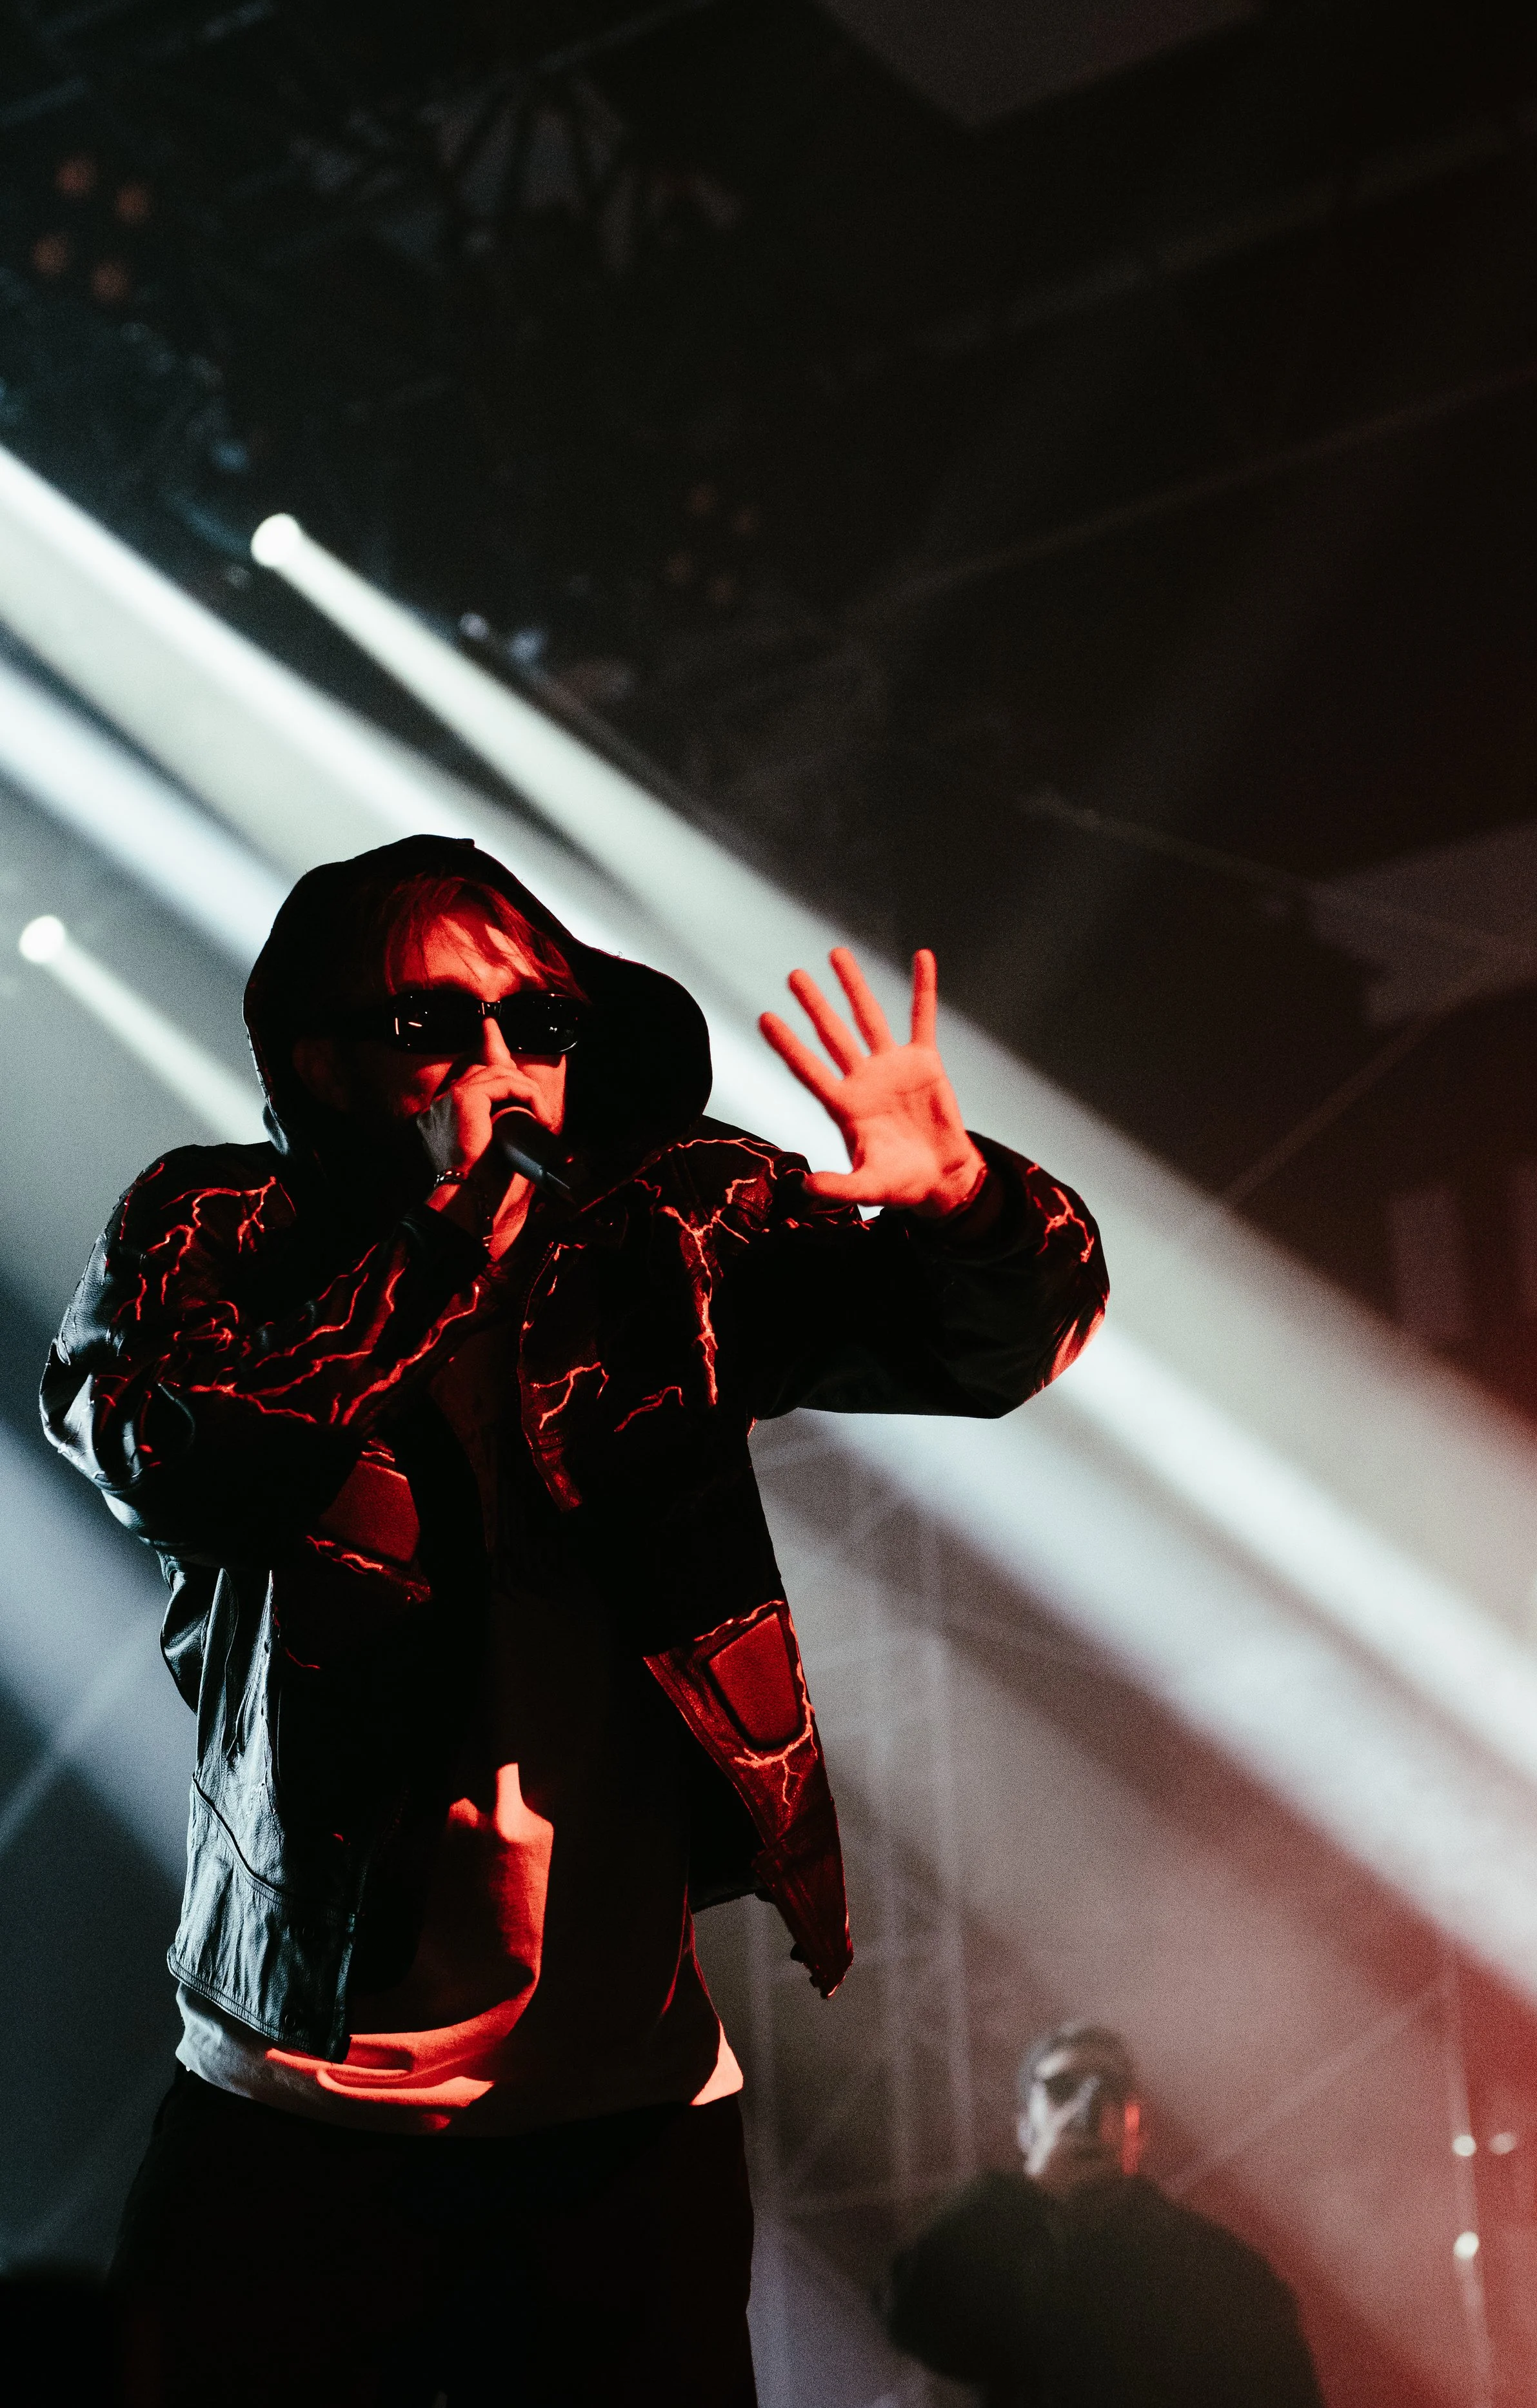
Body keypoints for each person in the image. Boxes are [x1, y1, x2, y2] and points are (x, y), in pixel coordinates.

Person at [41, 836, 1107, 2408]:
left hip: (620, 2114)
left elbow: (995, 1344)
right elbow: (169, 1449)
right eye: (437, 1029)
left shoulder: (662, 1229)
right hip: (297, 2108)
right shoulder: (220, 1228)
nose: (505, 1068)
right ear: (317, 1057)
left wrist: (962, 1199)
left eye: (539, 1025)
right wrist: (433, 1255)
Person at [885, 2023, 1325, 2407]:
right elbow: (912, 2320)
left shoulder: (1219, 2271)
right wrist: (1027, 2193)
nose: (1088, 2107)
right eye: (1061, 2089)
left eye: (1110, 2090)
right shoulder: (1000, 2251)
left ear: (1140, 2132)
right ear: (1024, 2128)